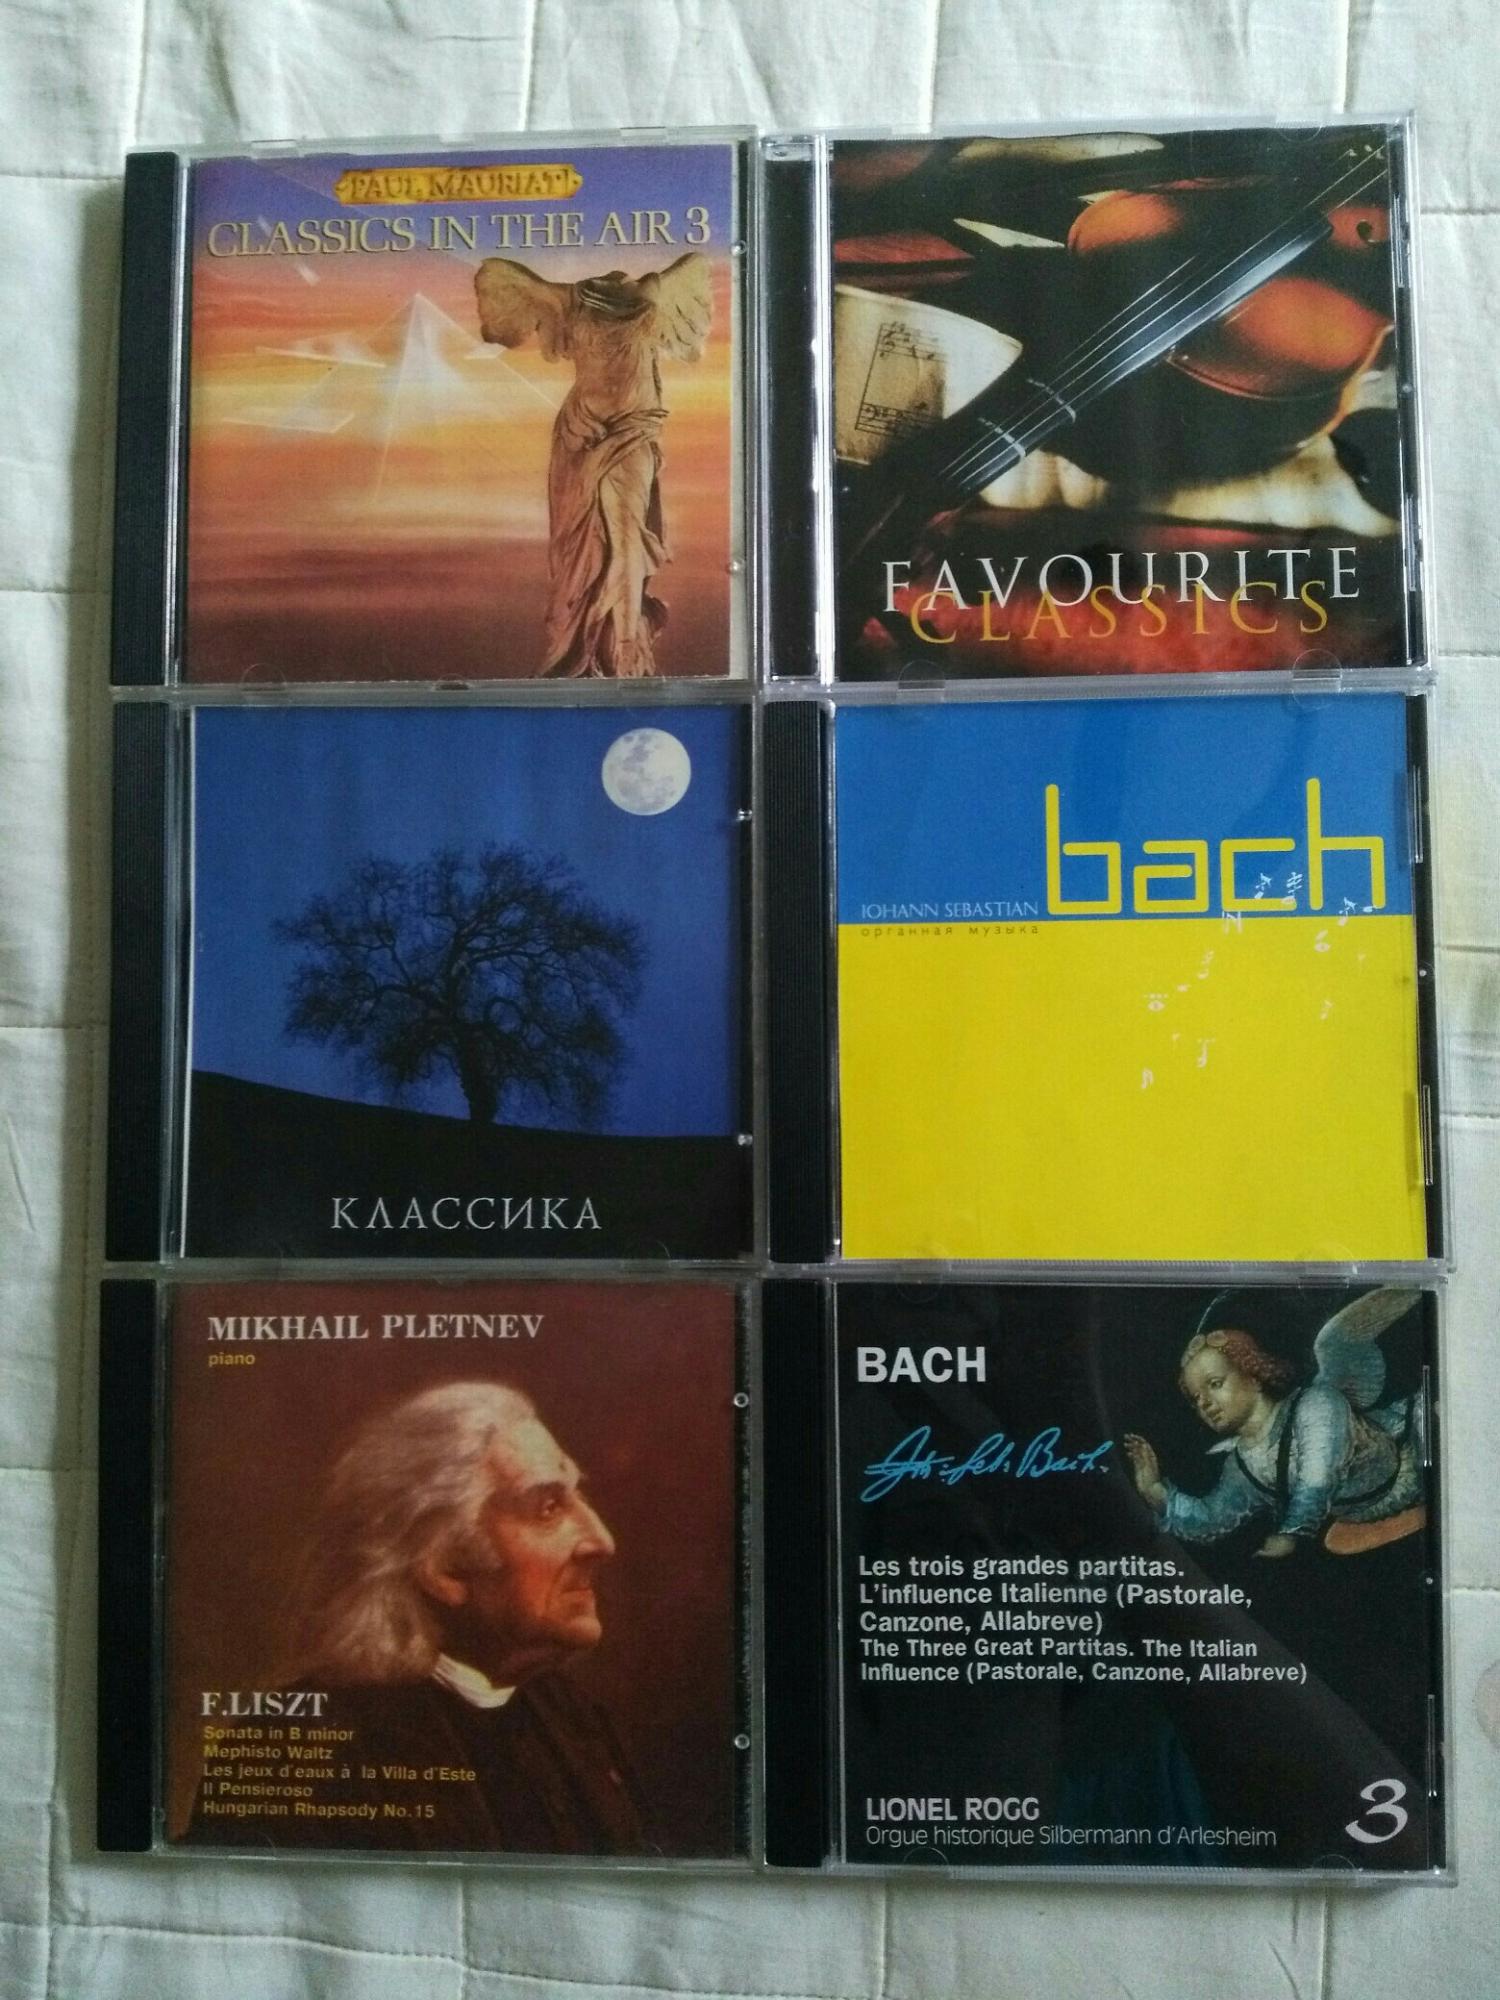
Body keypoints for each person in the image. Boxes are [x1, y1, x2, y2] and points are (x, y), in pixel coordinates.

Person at [193, 1381, 648, 1853]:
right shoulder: (293, 1747)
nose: (602, 1541)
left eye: (578, 1497)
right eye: (548, 1508)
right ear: (441, 1566)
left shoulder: (574, 1718)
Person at [473, 253, 713, 678]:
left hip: (632, 432)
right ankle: (589, 649)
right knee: (577, 553)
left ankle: (625, 648)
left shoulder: (654, 295)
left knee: (627, 537)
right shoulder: (568, 302)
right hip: (580, 435)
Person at [1123, 1287, 1427, 1557]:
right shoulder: (1244, 1467)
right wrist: (1154, 1491)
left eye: (1215, 1384)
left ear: (1253, 1376)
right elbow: (1212, 1518)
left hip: (1418, 1445)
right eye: (1195, 1398)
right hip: (1367, 1519)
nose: (1204, 1403)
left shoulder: (1315, 1404)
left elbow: (1319, 1476)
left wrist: (1292, 1532)